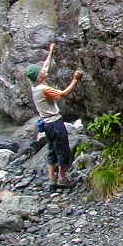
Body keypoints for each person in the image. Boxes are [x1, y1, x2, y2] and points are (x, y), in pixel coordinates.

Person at [25, 43, 83, 190]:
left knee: (51, 150)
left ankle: (52, 180)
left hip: (46, 124)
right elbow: (63, 94)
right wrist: (75, 79)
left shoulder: (34, 86)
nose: (44, 71)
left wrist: (50, 52)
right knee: (63, 149)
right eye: (41, 72)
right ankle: (63, 178)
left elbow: (45, 67)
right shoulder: (43, 89)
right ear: (39, 77)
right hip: (55, 123)